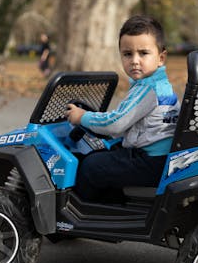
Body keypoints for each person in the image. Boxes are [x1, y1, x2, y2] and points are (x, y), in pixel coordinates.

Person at [65, 15, 180, 202]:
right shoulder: (159, 84)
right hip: (159, 157)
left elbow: (116, 123)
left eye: (143, 53)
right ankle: (111, 203)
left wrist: (82, 117)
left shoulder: (148, 89)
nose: (134, 60)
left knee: (91, 165)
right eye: (128, 54)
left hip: (150, 162)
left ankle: (79, 213)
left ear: (161, 58)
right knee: (105, 154)